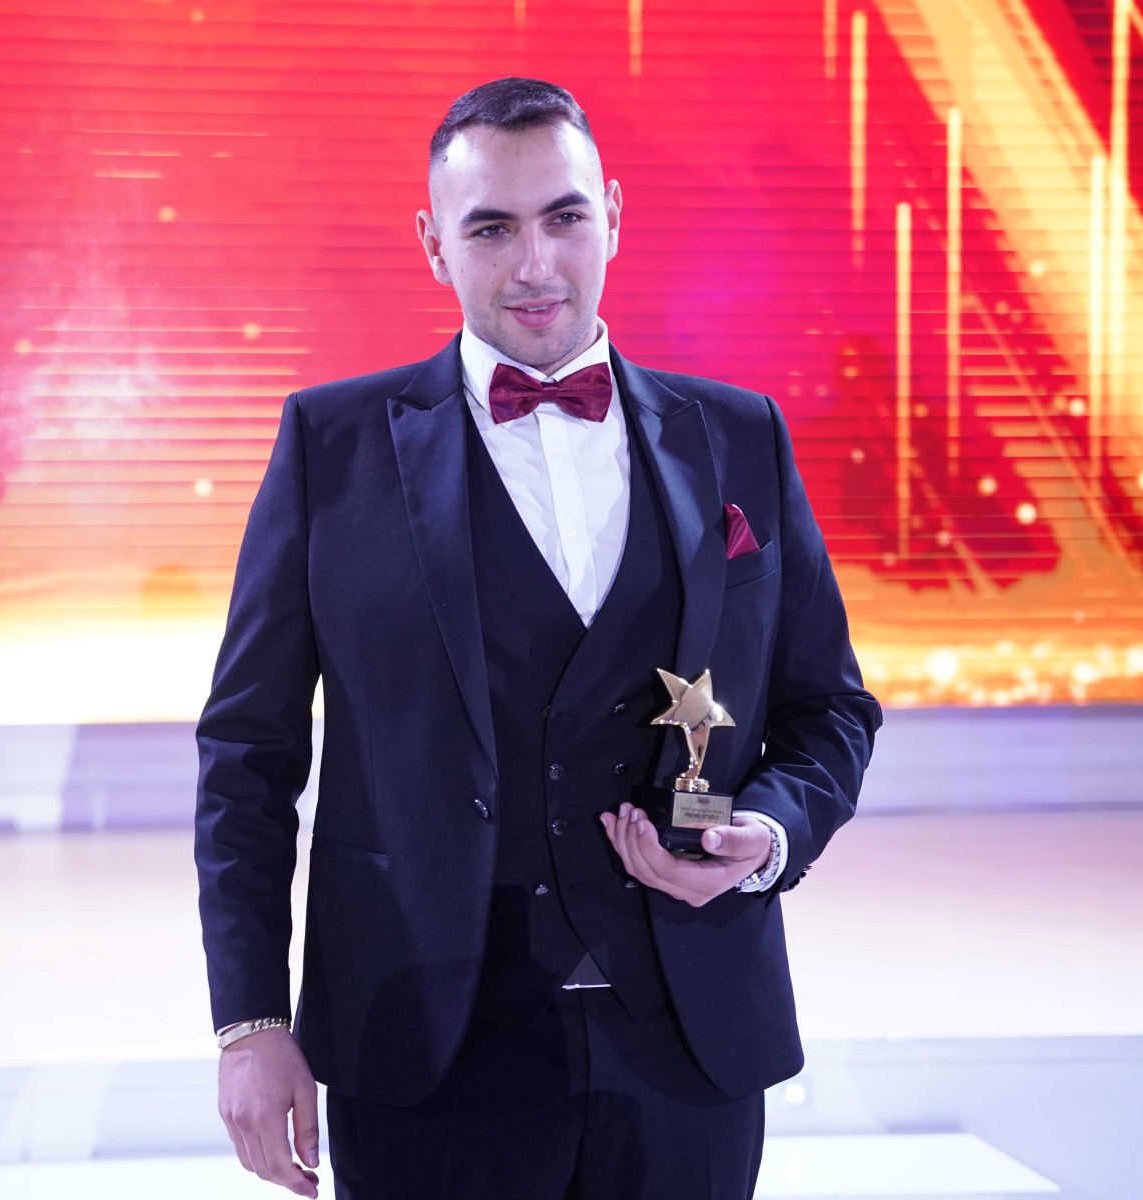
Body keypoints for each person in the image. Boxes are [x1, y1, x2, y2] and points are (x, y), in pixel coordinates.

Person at [194, 77, 880, 1199]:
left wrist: (766, 834)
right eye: (491, 229)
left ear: (613, 214)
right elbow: (247, 756)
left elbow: (830, 708)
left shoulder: (740, 435)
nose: (536, 264)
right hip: (424, 1043)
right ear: (434, 244)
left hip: (690, 1044)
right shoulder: (331, 446)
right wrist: (250, 1021)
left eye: (564, 217)